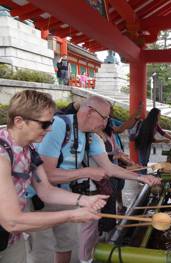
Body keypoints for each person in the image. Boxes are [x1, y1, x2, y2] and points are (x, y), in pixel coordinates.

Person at [28, 96, 161, 263]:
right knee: (44, 250)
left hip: (65, 194)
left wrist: (142, 177)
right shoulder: (58, 126)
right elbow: (47, 176)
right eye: (104, 118)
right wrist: (86, 172)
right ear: (90, 111)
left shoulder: (92, 136)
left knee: (66, 244)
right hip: (40, 198)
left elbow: (109, 168)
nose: (105, 124)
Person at [0, 90, 107, 263]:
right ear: (19, 121)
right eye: (44, 124)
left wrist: (84, 200)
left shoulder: (29, 149)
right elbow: (12, 221)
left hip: (11, 239)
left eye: (50, 122)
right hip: (10, 228)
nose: (49, 129)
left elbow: (46, 191)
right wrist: (72, 215)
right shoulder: (2, 155)